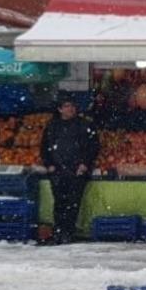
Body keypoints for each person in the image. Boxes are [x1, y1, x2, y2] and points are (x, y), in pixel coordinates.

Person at [41, 93, 99, 244]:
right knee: (59, 202)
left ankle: (68, 232)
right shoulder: (52, 126)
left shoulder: (84, 125)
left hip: (77, 171)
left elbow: (93, 147)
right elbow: (44, 147)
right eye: (67, 106)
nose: (71, 109)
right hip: (58, 171)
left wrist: (84, 164)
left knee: (73, 203)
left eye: (72, 106)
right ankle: (59, 231)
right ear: (60, 109)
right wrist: (50, 165)